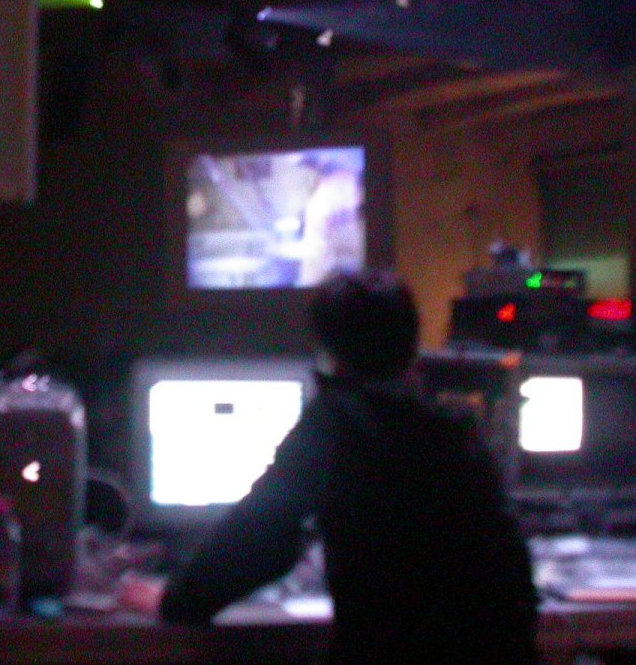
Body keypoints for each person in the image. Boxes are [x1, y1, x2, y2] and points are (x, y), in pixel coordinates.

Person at [126, 269, 537, 664]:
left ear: (329, 353)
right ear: (413, 348)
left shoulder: (337, 423)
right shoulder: (457, 432)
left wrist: (174, 602)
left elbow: (260, 536)